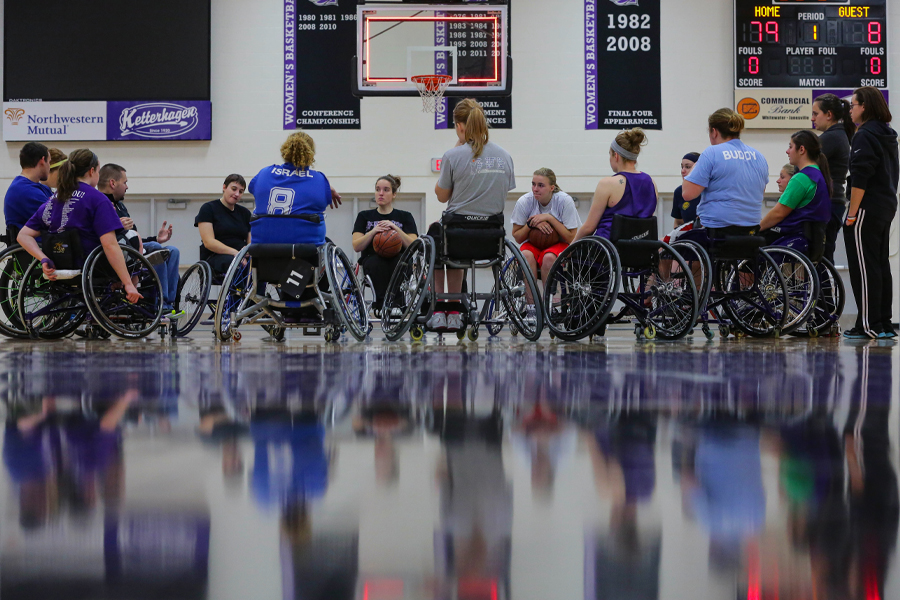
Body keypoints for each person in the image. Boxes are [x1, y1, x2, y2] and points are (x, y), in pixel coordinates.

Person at [430, 99, 516, 331]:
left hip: (457, 235)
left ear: (459, 127)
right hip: (491, 238)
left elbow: (441, 195)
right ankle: (456, 307)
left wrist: (458, 149)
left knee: (436, 235)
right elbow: (504, 190)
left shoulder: (453, 155)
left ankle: (441, 308)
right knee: (454, 239)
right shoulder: (505, 157)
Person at [16, 149, 142, 303]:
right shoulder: (98, 199)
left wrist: (43, 258)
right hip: (94, 267)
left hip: (60, 265)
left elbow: (23, 235)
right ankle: (129, 289)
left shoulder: (53, 199)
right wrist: (128, 283)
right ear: (91, 171)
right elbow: (110, 245)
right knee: (133, 237)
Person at [843, 87, 898, 339]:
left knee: (864, 267)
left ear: (864, 106)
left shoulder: (864, 135)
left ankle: (868, 324)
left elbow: (860, 178)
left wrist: (852, 213)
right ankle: (883, 323)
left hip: (866, 207)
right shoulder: (887, 133)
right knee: (879, 265)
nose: (851, 109)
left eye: (853, 104)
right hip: (885, 205)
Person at [98, 163, 183, 316]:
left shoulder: (120, 206)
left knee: (173, 251)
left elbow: (134, 237)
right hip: (115, 251)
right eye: (125, 182)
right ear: (113, 183)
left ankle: (169, 303)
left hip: (131, 247)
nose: (127, 187)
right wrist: (118, 226)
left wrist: (156, 238)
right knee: (157, 249)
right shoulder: (100, 203)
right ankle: (159, 303)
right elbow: (105, 235)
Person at [680, 108, 769, 242]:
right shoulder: (759, 156)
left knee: (673, 243)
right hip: (751, 230)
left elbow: (687, 194)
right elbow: (760, 192)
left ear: (714, 132)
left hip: (717, 230)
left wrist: (696, 165)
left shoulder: (712, 152)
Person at [249, 131, 342, 245]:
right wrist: (328, 186)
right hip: (306, 246)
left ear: (285, 150)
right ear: (311, 154)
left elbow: (253, 188)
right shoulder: (319, 179)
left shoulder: (264, 173)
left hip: (263, 243)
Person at [574, 128, 658, 241]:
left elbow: (589, 228)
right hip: (641, 250)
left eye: (610, 154)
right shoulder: (651, 182)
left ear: (616, 156)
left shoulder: (607, 184)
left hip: (608, 250)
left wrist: (568, 251)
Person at [352, 174, 418, 313]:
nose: (380, 193)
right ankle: (381, 305)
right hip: (372, 259)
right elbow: (356, 246)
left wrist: (395, 228)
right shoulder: (364, 216)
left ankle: (397, 305)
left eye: (386, 190)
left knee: (399, 262)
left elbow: (413, 244)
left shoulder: (405, 216)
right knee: (378, 263)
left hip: (399, 258)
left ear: (394, 194)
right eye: (378, 189)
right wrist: (373, 231)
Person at [760, 131, 832, 249]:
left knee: (749, 240)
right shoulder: (819, 175)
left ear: (802, 149)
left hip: (794, 237)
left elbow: (778, 213)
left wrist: (756, 228)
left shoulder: (801, 178)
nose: (787, 151)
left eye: (790, 147)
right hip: (813, 239)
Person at [511, 167, 581, 288]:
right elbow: (517, 237)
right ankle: (531, 305)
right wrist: (531, 223)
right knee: (526, 256)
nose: (535, 189)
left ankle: (550, 304)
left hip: (559, 244)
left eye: (540, 185)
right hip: (534, 244)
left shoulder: (564, 201)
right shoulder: (524, 201)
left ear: (552, 188)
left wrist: (550, 218)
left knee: (549, 258)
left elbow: (572, 238)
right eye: (533, 184)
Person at [811, 93, 854, 263]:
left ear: (829, 115)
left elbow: (805, 166)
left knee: (821, 256)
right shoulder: (837, 135)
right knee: (823, 255)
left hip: (828, 201)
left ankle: (825, 290)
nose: (812, 118)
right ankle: (825, 290)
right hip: (832, 201)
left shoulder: (831, 137)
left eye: (816, 114)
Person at [195, 174, 253, 276]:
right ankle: (237, 292)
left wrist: (249, 252)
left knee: (259, 265)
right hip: (215, 256)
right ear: (224, 187)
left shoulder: (245, 213)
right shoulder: (208, 208)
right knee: (236, 264)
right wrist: (236, 253)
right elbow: (208, 242)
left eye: (241, 191)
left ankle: (258, 292)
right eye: (234, 189)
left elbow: (250, 242)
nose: (237, 194)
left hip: (241, 255)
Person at [3, 142, 52, 233]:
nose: (49, 167)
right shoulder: (24, 190)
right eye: (49, 162)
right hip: (36, 244)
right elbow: (58, 218)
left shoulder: (40, 187)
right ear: (42, 161)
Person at [671, 152, 701, 227]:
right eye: (682, 167)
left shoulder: (709, 191)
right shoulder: (679, 192)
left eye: (687, 167)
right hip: (688, 236)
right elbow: (678, 222)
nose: (682, 171)